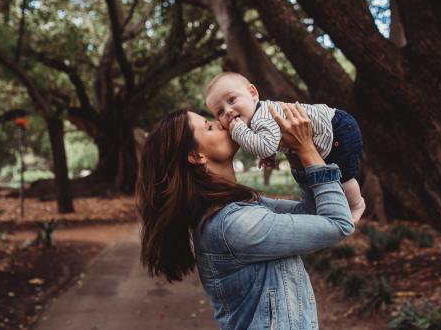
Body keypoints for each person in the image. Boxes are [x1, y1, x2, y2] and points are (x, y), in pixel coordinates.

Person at [136, 102, 354, 329]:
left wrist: (293, 151)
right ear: (196, 156)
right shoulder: (233, 224)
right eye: (210, 127)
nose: (223, 123)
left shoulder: (238, 206)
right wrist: (307, 149)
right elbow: (338, 223)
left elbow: (313, 213)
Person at [205, 72, 366, 223]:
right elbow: (273, 140)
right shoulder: (258, 117)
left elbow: (266, 146)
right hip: (332, 129)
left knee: (344, 177)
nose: (228, 111)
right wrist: (269, 155)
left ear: (253, 93)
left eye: (232, 100)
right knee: (331, 177)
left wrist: (239, 131)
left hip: (337, 130)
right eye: (220, 112)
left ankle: (357, 205)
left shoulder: (261, 117)